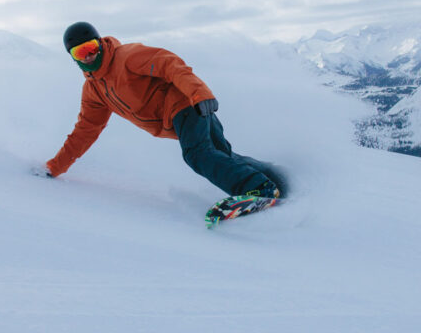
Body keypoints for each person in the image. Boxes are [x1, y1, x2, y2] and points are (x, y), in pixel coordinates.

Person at [39, 21, 284, 199]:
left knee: (197, 155)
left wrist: (200, 94)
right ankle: (274, 176)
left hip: (186, 103)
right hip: (182, 114)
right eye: (80, 52)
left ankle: (258, 190)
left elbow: (170, 64)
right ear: (72, 57)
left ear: (101, 43)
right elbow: (84, 132)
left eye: (92, 47)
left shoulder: (127, 57)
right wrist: (55, 167)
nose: (89, 55)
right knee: (220, 155)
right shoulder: (93, 92)